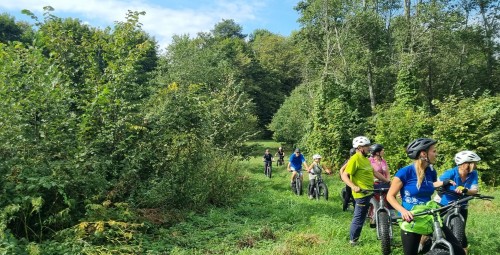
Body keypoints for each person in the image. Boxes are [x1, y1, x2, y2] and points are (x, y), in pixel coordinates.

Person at [386, 138, 463, 255]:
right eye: (434, 151)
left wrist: (444, 182)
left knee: (458, 251)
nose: (436, 154)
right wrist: (403, 211)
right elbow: (390, 196)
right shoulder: (404, 172)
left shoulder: (431, 171)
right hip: (412, 218)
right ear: (423, 154)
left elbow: (429, 185)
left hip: (429, 215)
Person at [341, 136, 391, 246]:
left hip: (369, 191)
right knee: (359, 217)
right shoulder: (355, 159)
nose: (369, 148)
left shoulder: (365, 159)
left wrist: (387, 181)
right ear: (359, 148)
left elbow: (375, 172)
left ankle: (379, 227)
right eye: (366, 146)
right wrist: (353, 186)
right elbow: (344, 175)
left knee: (373, 210)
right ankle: (353, 241)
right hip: (361, 193)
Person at [434, 150, 481, 253]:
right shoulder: (451, 172)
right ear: (465, 164)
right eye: (474, 163)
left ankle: (462, 250)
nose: (475, 165)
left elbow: (475, 190)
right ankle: (422, 243)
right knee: (434, 225)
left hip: (462, 203)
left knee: (461, 231)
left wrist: (465, 190)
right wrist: (444, 182)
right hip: (444, 202)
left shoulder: (473, 174)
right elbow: (434, 184)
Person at [368, 143, 391, 227]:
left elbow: (387, 173)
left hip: (385, 183)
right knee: (376, 201)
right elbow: (369, 173)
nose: (383, 151)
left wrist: (388, 180)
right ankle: (373, 217)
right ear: (377, 152)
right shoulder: (369, 161)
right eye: (382, 150)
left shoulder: (383, 161)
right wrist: (374, 179)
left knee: (390, 198)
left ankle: (390, 215)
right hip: (375, 183)